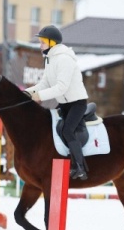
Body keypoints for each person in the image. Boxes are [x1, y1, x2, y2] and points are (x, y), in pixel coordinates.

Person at [26, 25, 89, 180]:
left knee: (68, 130)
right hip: (65, 103)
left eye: (43, 42)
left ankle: (80, 167)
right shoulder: (50, 59)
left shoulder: (64, 59)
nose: (40, 45)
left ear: (52, 43)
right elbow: (45, 83)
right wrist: (28, 92)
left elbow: (61, 87)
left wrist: (39, 96)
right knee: (56, 128)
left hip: (77, 103)